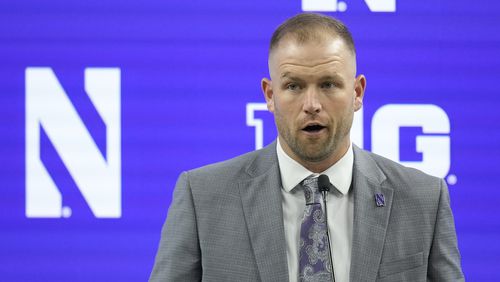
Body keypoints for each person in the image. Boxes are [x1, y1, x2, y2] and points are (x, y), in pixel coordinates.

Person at [150, 13, 464, 282]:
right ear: (269, 95)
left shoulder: (423, 200)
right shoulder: (202, 197)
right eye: (293, 86)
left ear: (357, 92)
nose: (311, 105)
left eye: (328, 84)